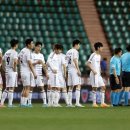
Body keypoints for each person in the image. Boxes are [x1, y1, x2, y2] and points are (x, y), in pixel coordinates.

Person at [86, 42, 109, 107]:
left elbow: (98, 65)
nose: (102, 48)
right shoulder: (93, 55)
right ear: (98, 48)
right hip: (93, 74)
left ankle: (102, 103)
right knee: (95, 88)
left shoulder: (99, 56)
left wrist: (100, 71)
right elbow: (87, 63)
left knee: (103, 87)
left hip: (98, 74)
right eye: (101, 47)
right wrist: (93, 70)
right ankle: (94, 103)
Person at [28, 42, 48, 107]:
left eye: (40, 47)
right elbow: (30, 65)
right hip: (33, 73)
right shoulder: (31, 54)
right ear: (35, 47)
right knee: (31, 88)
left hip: (40, 74)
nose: (40, 48)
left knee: (42, 88)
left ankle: (45, 103)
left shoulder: (41, 55)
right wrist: (36, 62)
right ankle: (29, 103)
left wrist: (46, 73)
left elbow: (43, 66)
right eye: (38, 46)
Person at [0, 39, 18, 107]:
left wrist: (4, 69)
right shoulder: (15, 52)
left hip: (7, 71)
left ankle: (1, 103)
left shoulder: (7, 52)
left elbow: (3, 61)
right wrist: (15, 68)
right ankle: (10, 104)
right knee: (11, 88)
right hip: (12, 71)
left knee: (7, 87)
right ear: (16, 45)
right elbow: (15, 61)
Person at [19, 38, 37, 107]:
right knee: (28, 88)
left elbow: (18, 59)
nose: (33, 45)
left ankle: (22, 102)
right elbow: (30, 64)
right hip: (26, 71)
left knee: (24, 88)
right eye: (32, 43)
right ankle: (24, 104)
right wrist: (34, 73)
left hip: (22, 70)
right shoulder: (28, 52)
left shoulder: (22, 50)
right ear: (28, 44)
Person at [66, 39, 84, 107]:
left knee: (70, 87)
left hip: (69, 69)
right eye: (79, 45)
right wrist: (78, 70)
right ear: (76, 44)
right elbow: (75, 60)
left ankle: (69, 103)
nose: (79, 46)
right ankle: (77, 103)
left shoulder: (68, 51)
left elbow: (66, 61)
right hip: (74, 69)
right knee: (78, 85)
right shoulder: (75, 51)